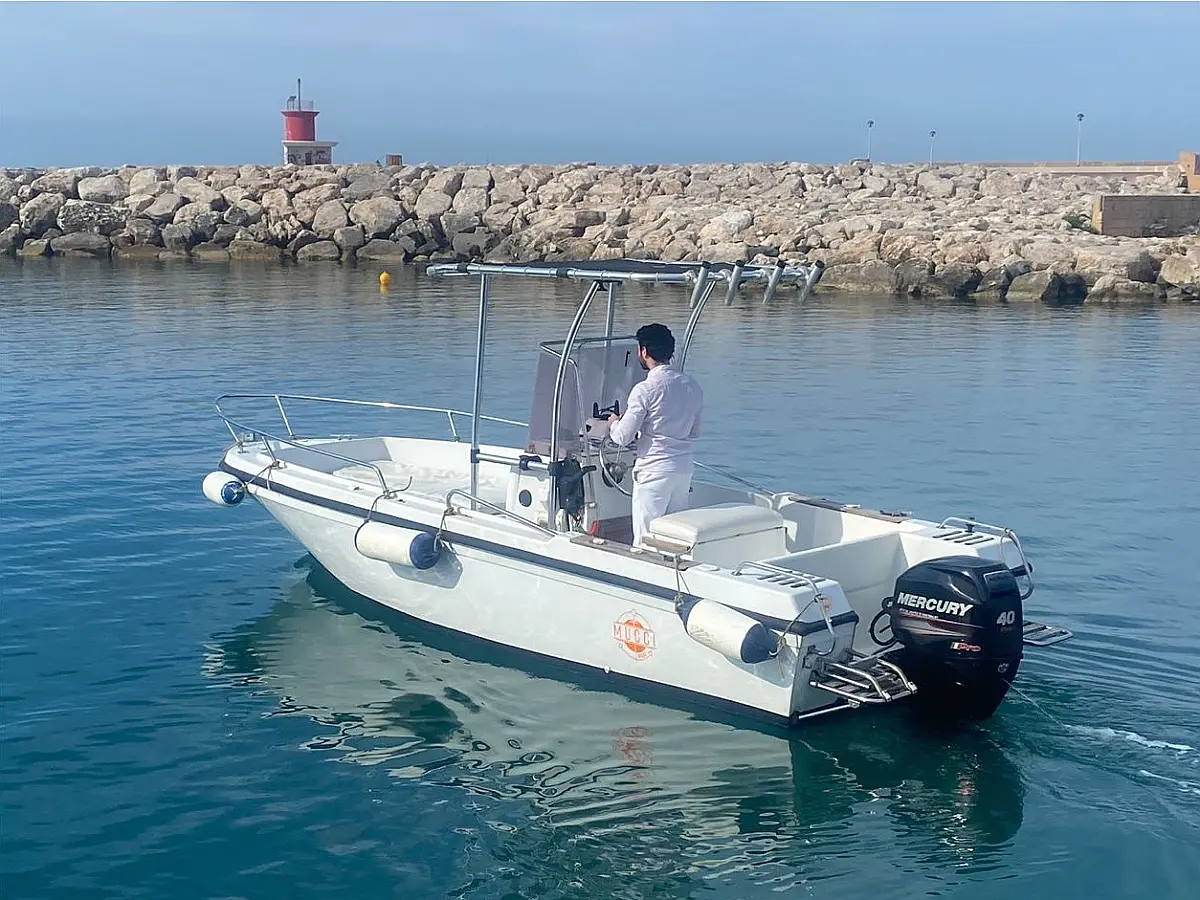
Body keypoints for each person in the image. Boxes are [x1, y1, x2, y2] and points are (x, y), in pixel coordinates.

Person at [607, 323, 704, 547]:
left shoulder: (645, 389)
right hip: (683, 470)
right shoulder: (692, 386)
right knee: (674, 537)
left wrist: (614, 423)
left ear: (643, 351)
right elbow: (695, 432)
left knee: (645, 538)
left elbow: (622, 437)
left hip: (654, 472)